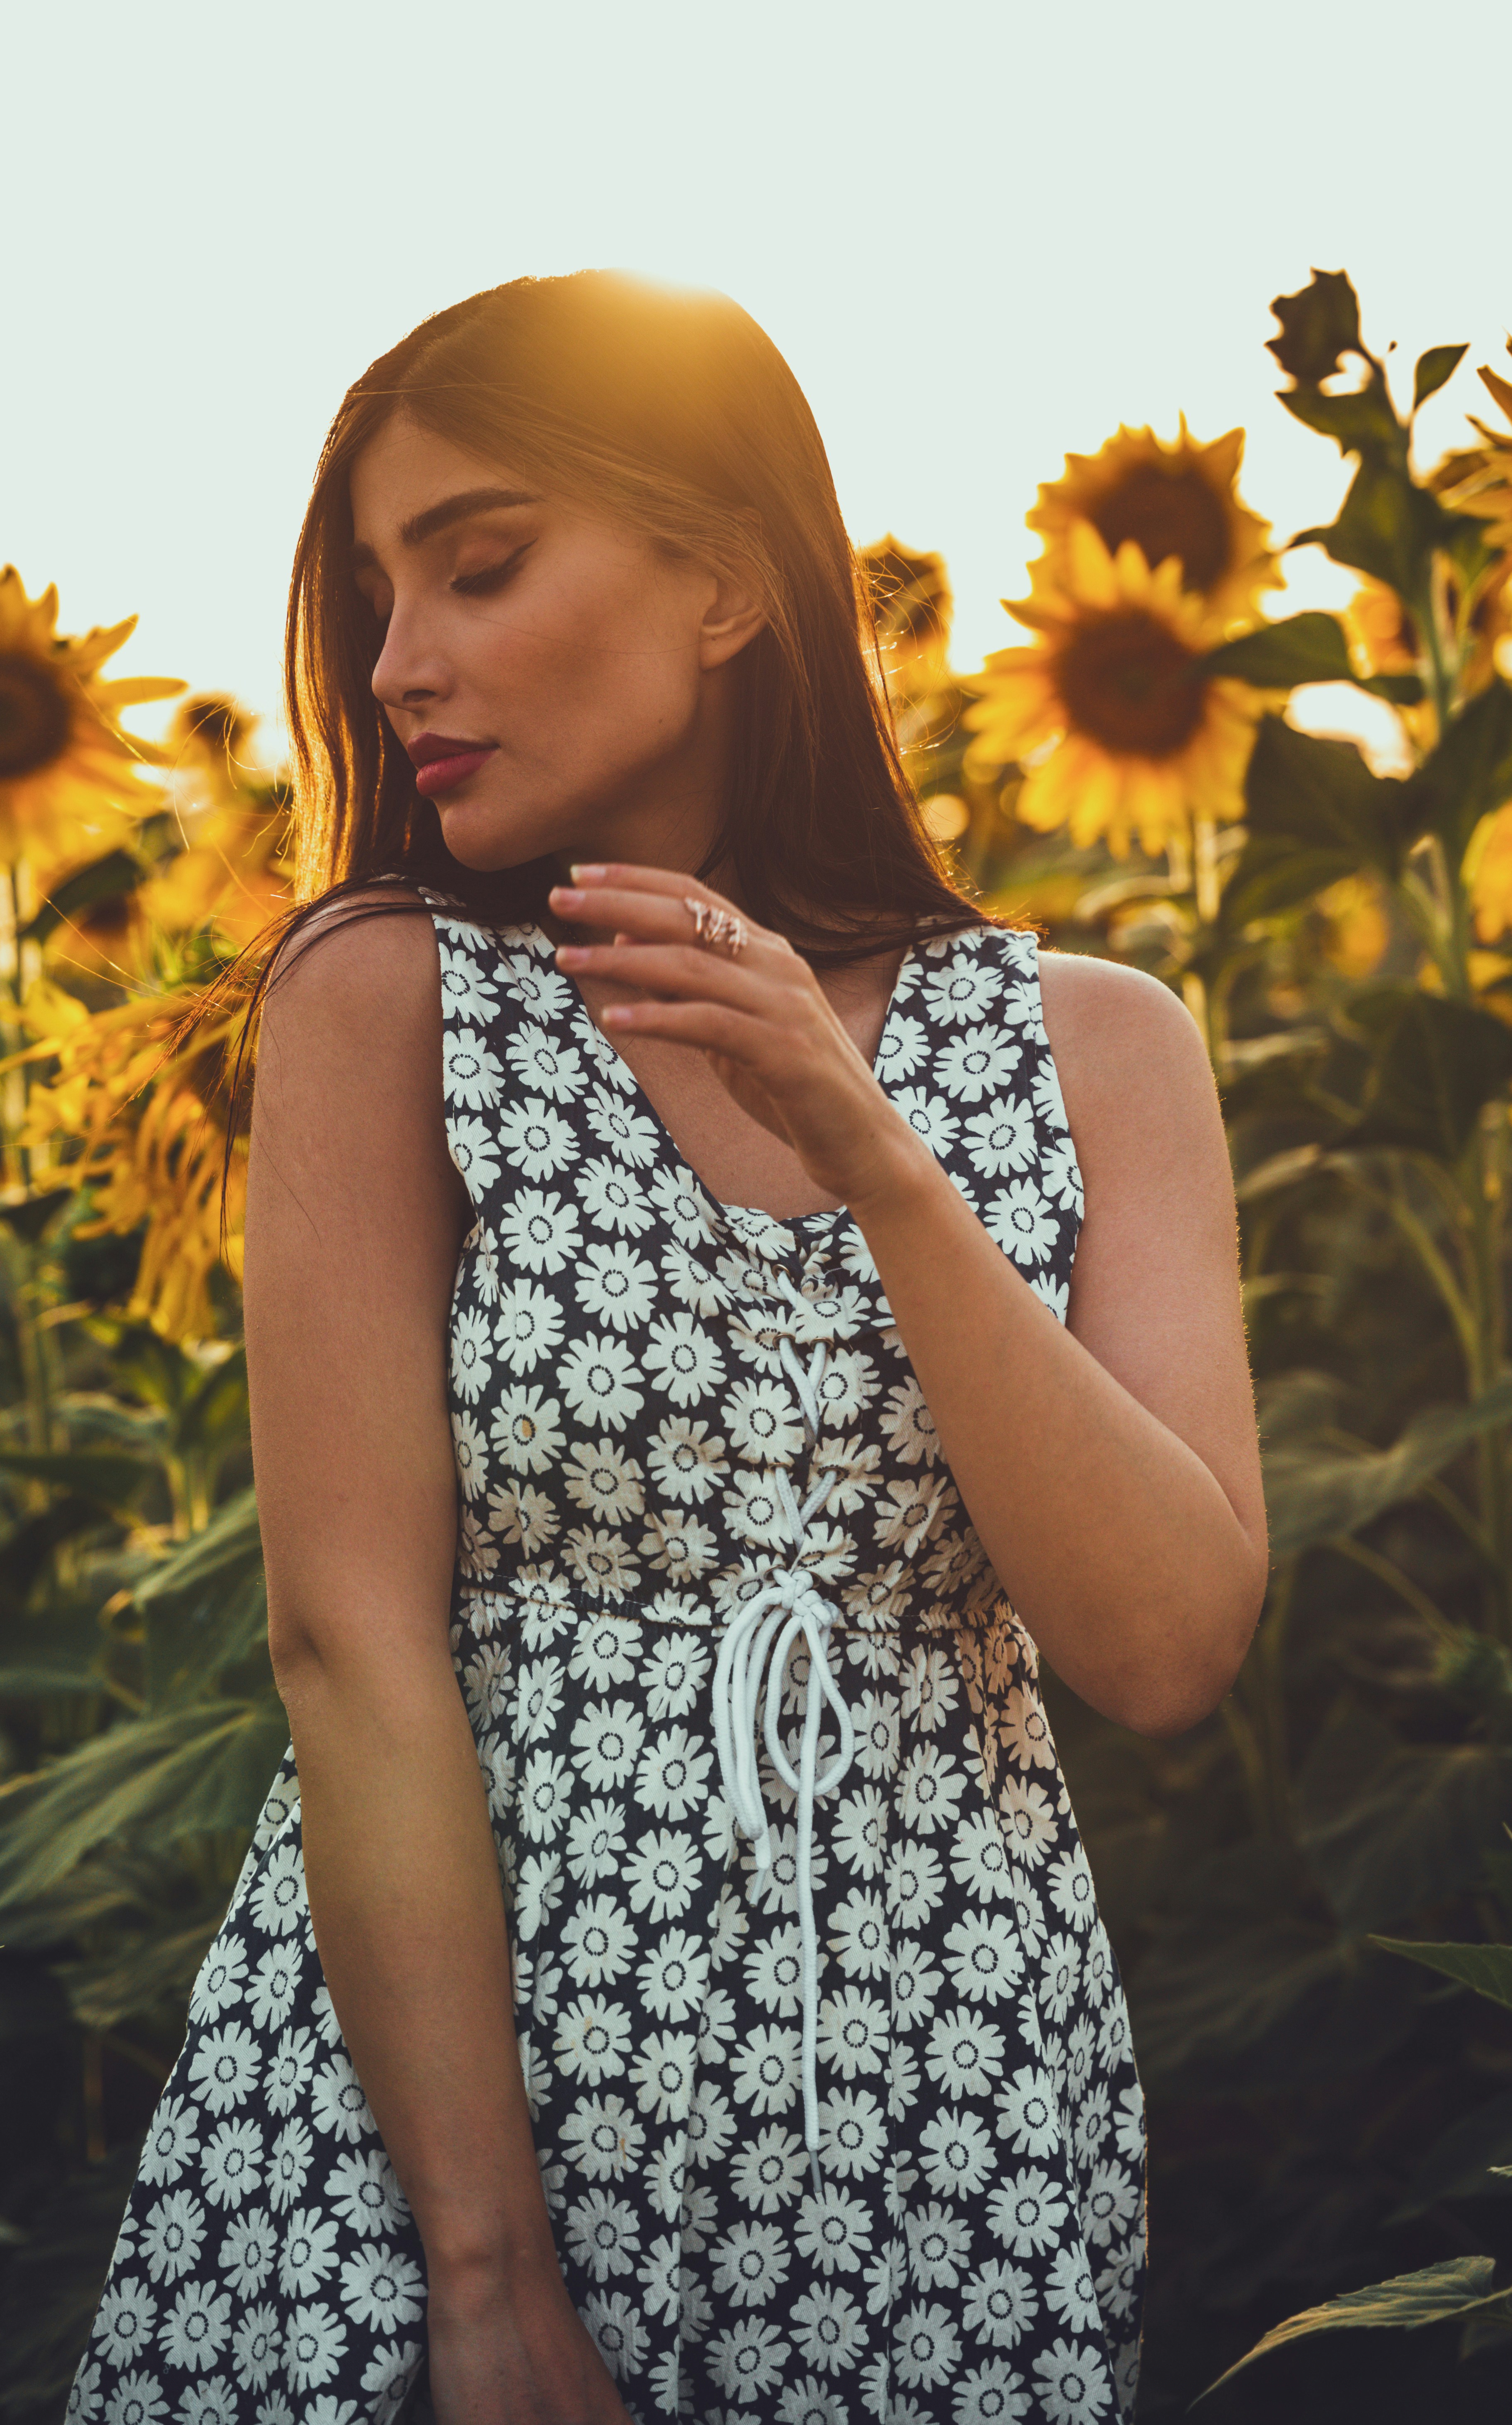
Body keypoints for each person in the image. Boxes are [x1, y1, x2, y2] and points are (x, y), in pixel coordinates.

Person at [70, 270, 1267, 2425]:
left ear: (723, 584)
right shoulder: (387, 996)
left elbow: (1164, 1648)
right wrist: (483, 2280)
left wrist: (875, 1160)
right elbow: (352, 1644)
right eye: (371, 591)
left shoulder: (1100, 1049)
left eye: (481, 564)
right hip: (448, 2120)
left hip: (932, 2111)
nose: (396, 661)